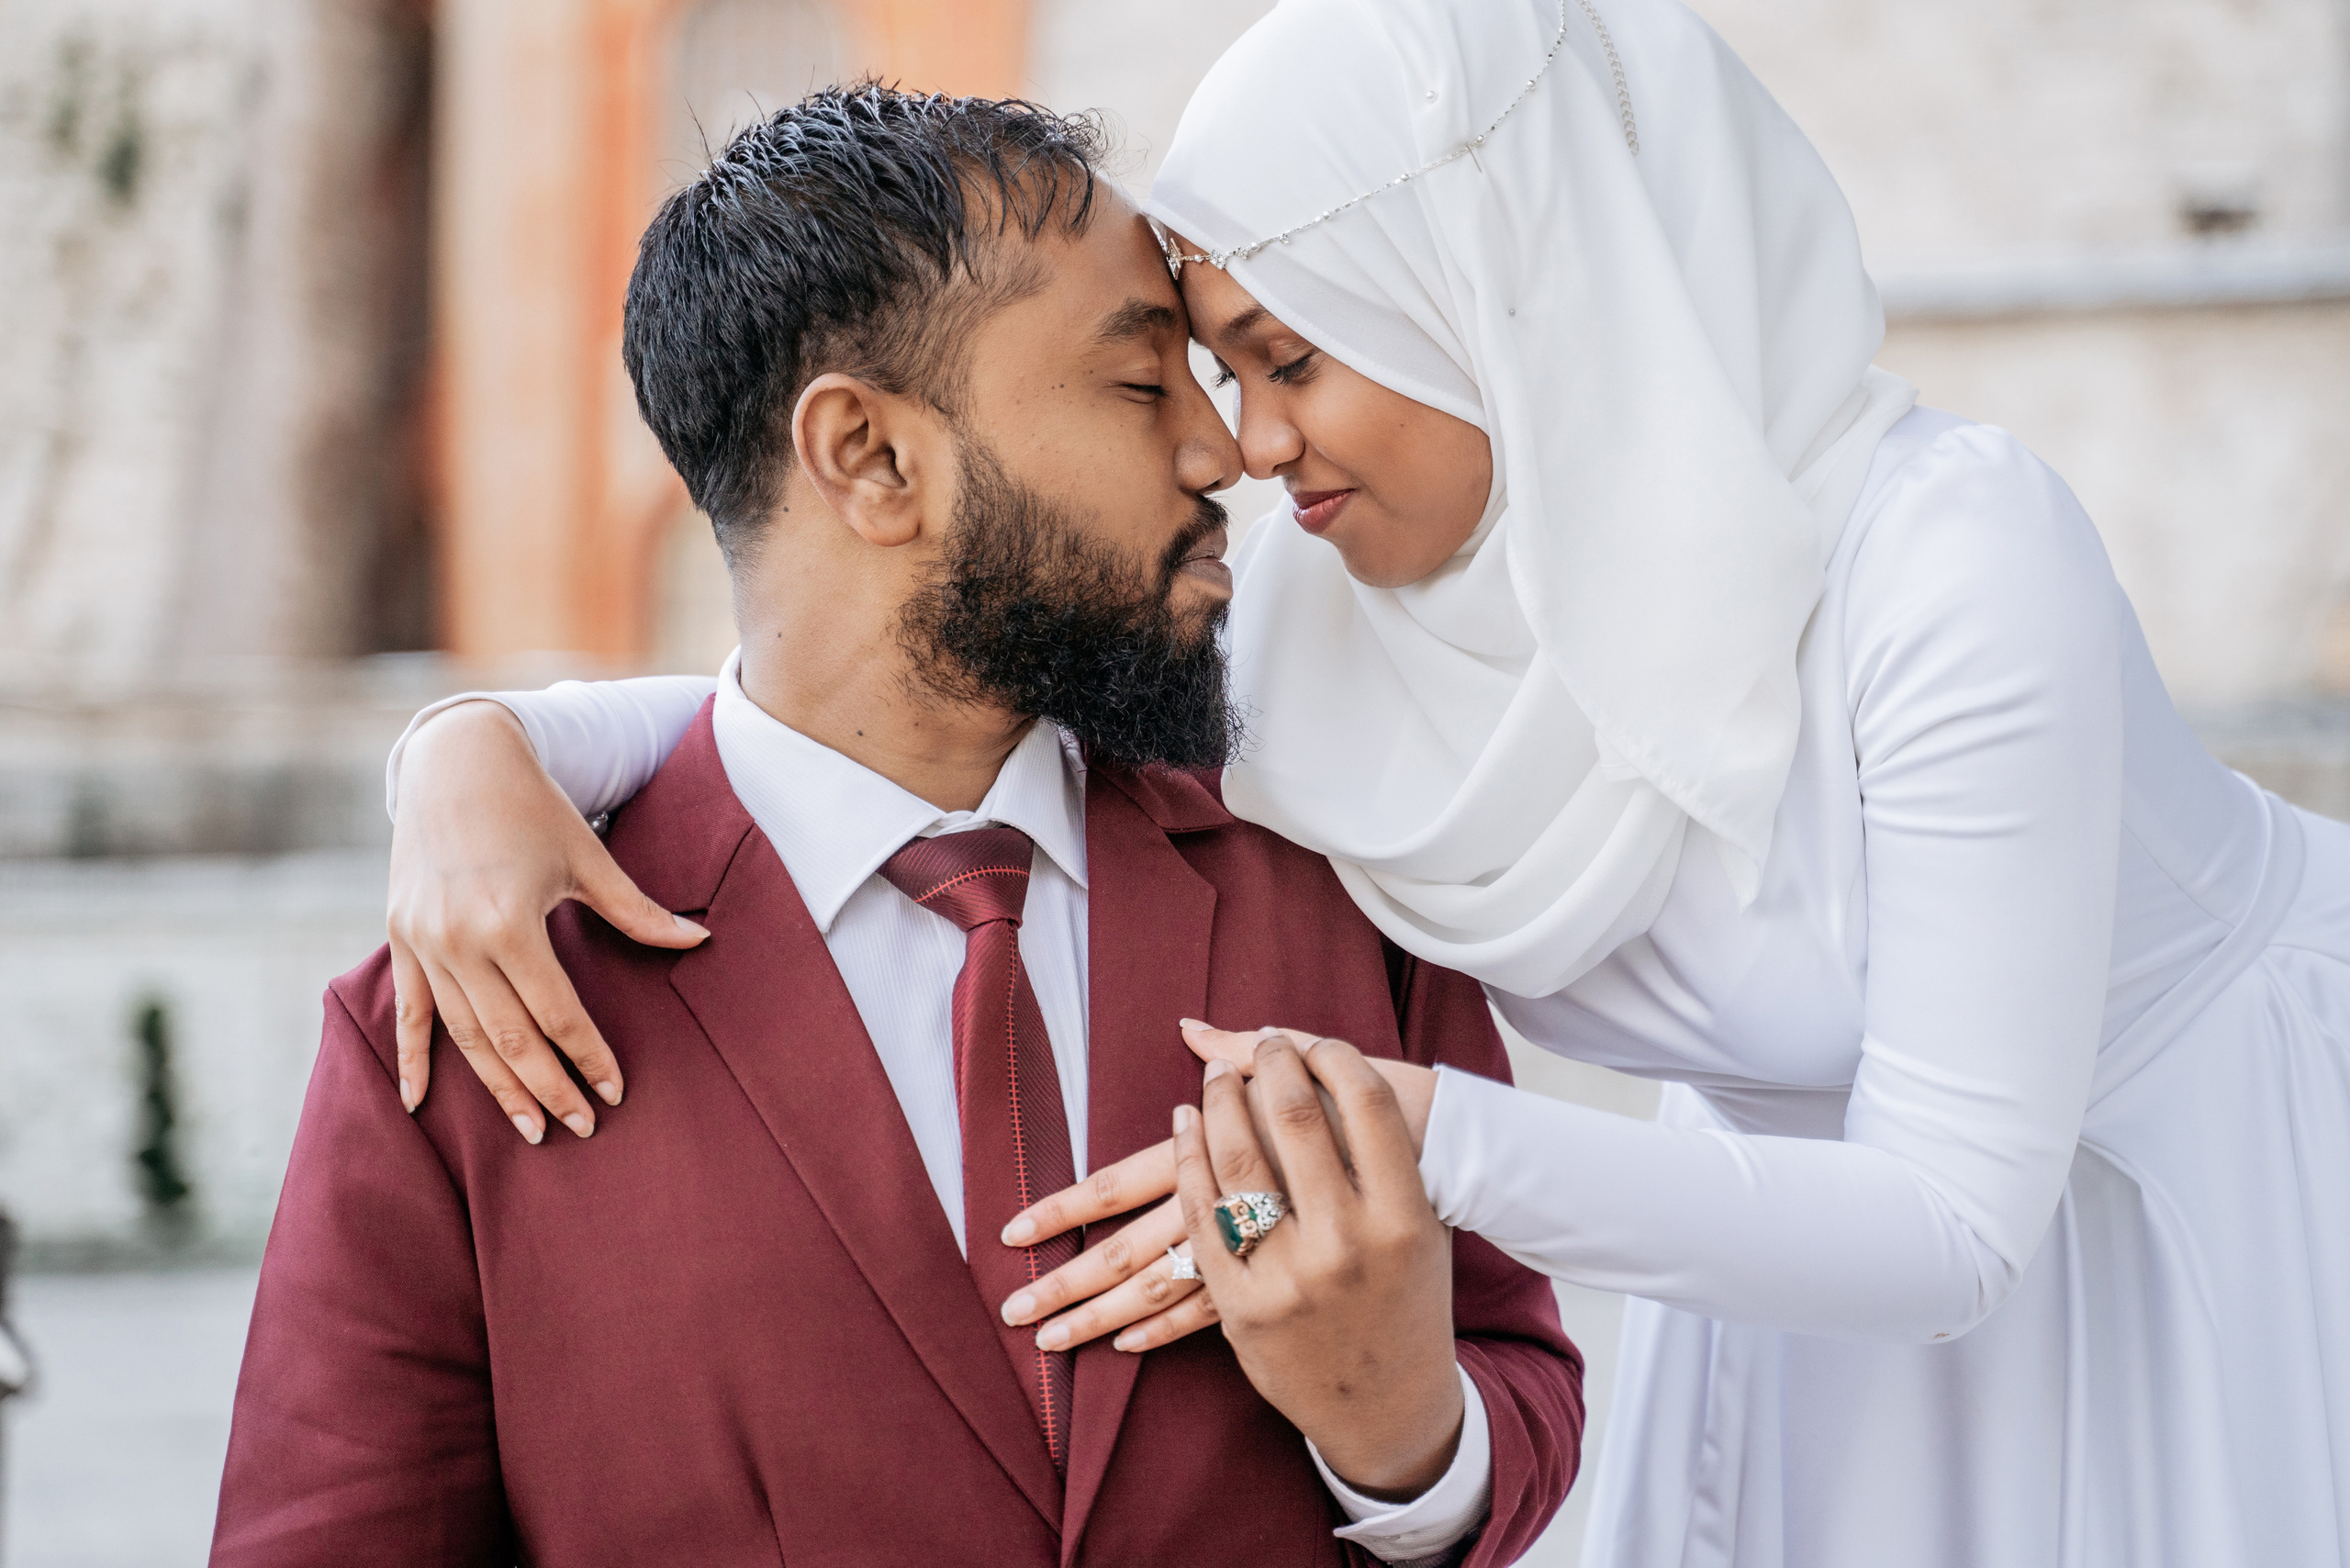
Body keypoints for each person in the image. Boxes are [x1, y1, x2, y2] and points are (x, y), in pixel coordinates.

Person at [379, 2, 2350, 1565]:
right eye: (1205, 374)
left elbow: (1947, 1226)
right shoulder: (1339, 621)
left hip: (2152, 1217)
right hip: (1769, 1274)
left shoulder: (1950, 564)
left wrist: (1412, 1138)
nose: (1241, 446)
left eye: (1287, 358)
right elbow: (896, 684)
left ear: (1490, 294)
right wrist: (483, 750)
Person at [211, 89, 1585, 1568]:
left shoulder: (1332, 876)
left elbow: (1521, 1377)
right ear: (870, 458)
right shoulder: (465, 1020)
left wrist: (1401, 1433)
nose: (1223, 451)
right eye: (1142, 385)